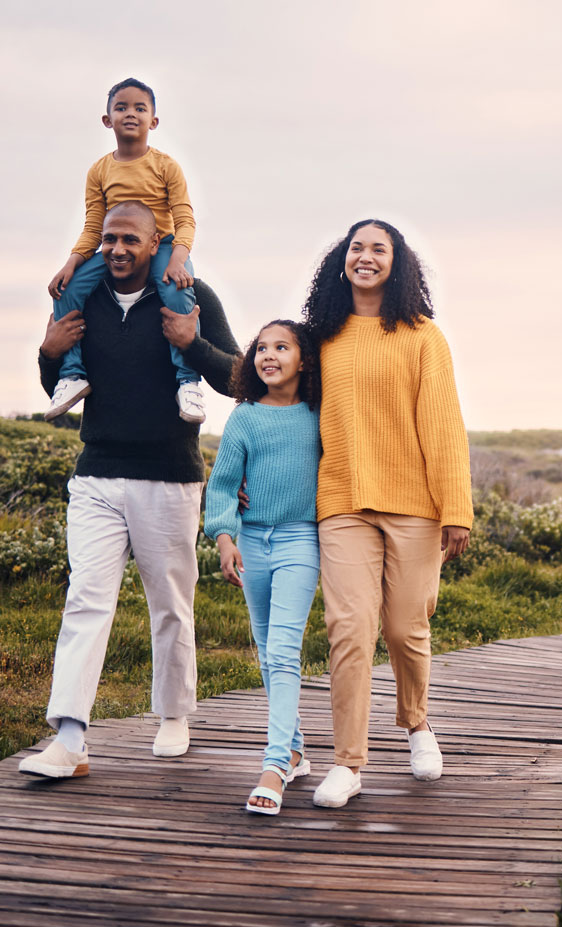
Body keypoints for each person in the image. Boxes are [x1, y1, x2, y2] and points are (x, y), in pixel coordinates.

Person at [19, 201, 241, 779]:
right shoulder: (83, 294)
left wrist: (193, 344)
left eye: (130, 240)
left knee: (171, 605)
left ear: (155, 244)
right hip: (96, 473)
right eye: (109, 239)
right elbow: (61, 385)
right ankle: (69, 739)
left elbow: (235, 377)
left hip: (169, 477)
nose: (117, 249)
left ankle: (173, 714)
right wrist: (47, 353)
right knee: (86, 599)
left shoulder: (189, 293)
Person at [301, 219, 473, 809]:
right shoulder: (320, 335)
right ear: (341, 260)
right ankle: (348, 763)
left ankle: (417, 723)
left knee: (405, 627)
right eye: (357, 248)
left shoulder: (423, 335)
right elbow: (273, 396)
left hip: (416, 506)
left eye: (379, 249)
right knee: (350, 630)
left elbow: (444, 426)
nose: (366, 257)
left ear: (397, 263)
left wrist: (457, 510)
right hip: (342, 500)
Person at [204, 320, 321, 815]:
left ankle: (274, 765)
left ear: (304, 359)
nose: (268, 355)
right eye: (261, 348)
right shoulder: (244, 417)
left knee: (284, 650)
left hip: (301, 539)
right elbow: (224, 484)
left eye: (281, 347)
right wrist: (225, 537)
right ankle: (294, 748)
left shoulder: (320, 414)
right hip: (252, 541)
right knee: (267, 650)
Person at [45, 77, 205, 425]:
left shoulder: (166, 166)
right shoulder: (100, 170)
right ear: (108, 120)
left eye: (139, 108)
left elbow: (185, 218)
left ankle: (188, 381)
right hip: (115, 247)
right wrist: (71, 263)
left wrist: (178, 258)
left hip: (161, 245)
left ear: (153, 120)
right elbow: (93, 227)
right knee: (66, 291)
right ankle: (73, 374)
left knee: (177, 293)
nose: (130, 114)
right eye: (121, 108)